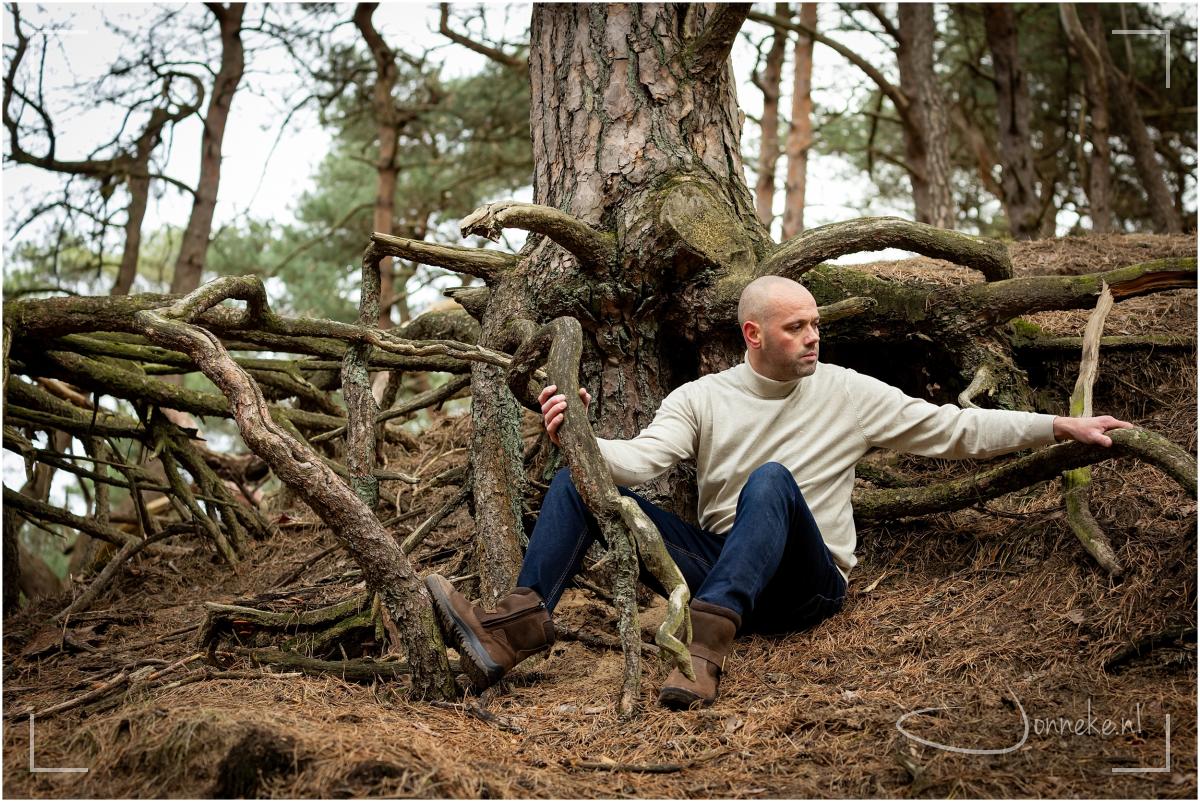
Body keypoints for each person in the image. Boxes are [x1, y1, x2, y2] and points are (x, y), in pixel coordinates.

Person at [425, 276, 1132, 708]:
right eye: (797, 327)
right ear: (753, 334)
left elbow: (949, 430)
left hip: (804, 581)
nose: (813, 337)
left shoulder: (848, 392)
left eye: (816, 324)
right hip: (720, 567)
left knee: (772, 480)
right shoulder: (702, 397)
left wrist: (1056, 425)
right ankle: (515, 626)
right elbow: (636, 464)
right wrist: (574, 433)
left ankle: (701, 652)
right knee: (579, 485)